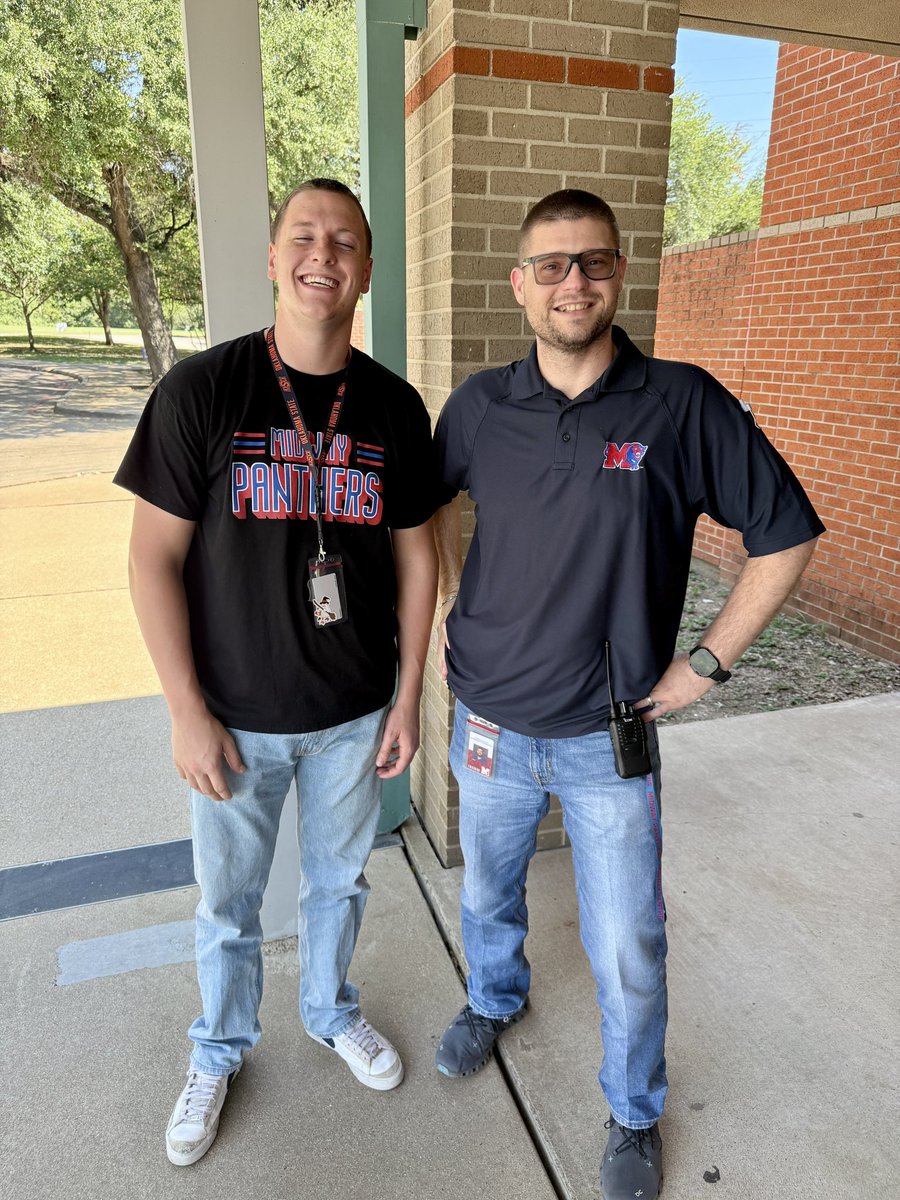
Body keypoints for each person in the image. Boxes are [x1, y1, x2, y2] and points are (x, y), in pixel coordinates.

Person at [430, 189, 824, 1200]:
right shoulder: (477, 407)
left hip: (611, 737)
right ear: (519, 284)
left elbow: (786, 537)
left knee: (628, 943)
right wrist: (445, 614)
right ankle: (492, 998)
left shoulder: (681, 403)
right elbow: (416, 518)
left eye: (593, 262)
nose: (574, 282)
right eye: (552, 265)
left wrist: (706, 664)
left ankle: (634, 1110)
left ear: (618, 275)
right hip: (489, 721)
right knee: (484, 891)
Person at [115, 179, 439, 1167]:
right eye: (304, 234)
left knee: (339, 888)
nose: (323, 254)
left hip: (353, 715)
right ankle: (217, 1048)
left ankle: (331, 1011)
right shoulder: (202, 393)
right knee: (229, 903)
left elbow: (424, 558)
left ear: (367, 270)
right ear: (272, 257)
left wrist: (410, 695)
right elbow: (150, 560)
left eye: (345, 240)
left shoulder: (392, 405)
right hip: (234, 720)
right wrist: (184, 713)